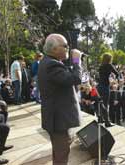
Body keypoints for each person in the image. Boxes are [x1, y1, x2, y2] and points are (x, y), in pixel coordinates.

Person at [38, 34, 83, 165]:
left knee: (59, 153)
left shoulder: (50, 62)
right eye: (65, 46)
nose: (68, 48)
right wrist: (76, 61)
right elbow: (75, 79)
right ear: (54, 49)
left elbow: (66, 78)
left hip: (56, 118)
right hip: (58, 120)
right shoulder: (52, 65)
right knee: (61, 156)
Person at [97, 53, 119, 127]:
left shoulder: (100, 66)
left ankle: (100, 119)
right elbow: (117, 74)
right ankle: (107, 122)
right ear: (109, 59)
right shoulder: (109, 66)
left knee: (100, 103)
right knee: (106, 104)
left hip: (99, 87)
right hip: (105, 87)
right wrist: (113, 80)